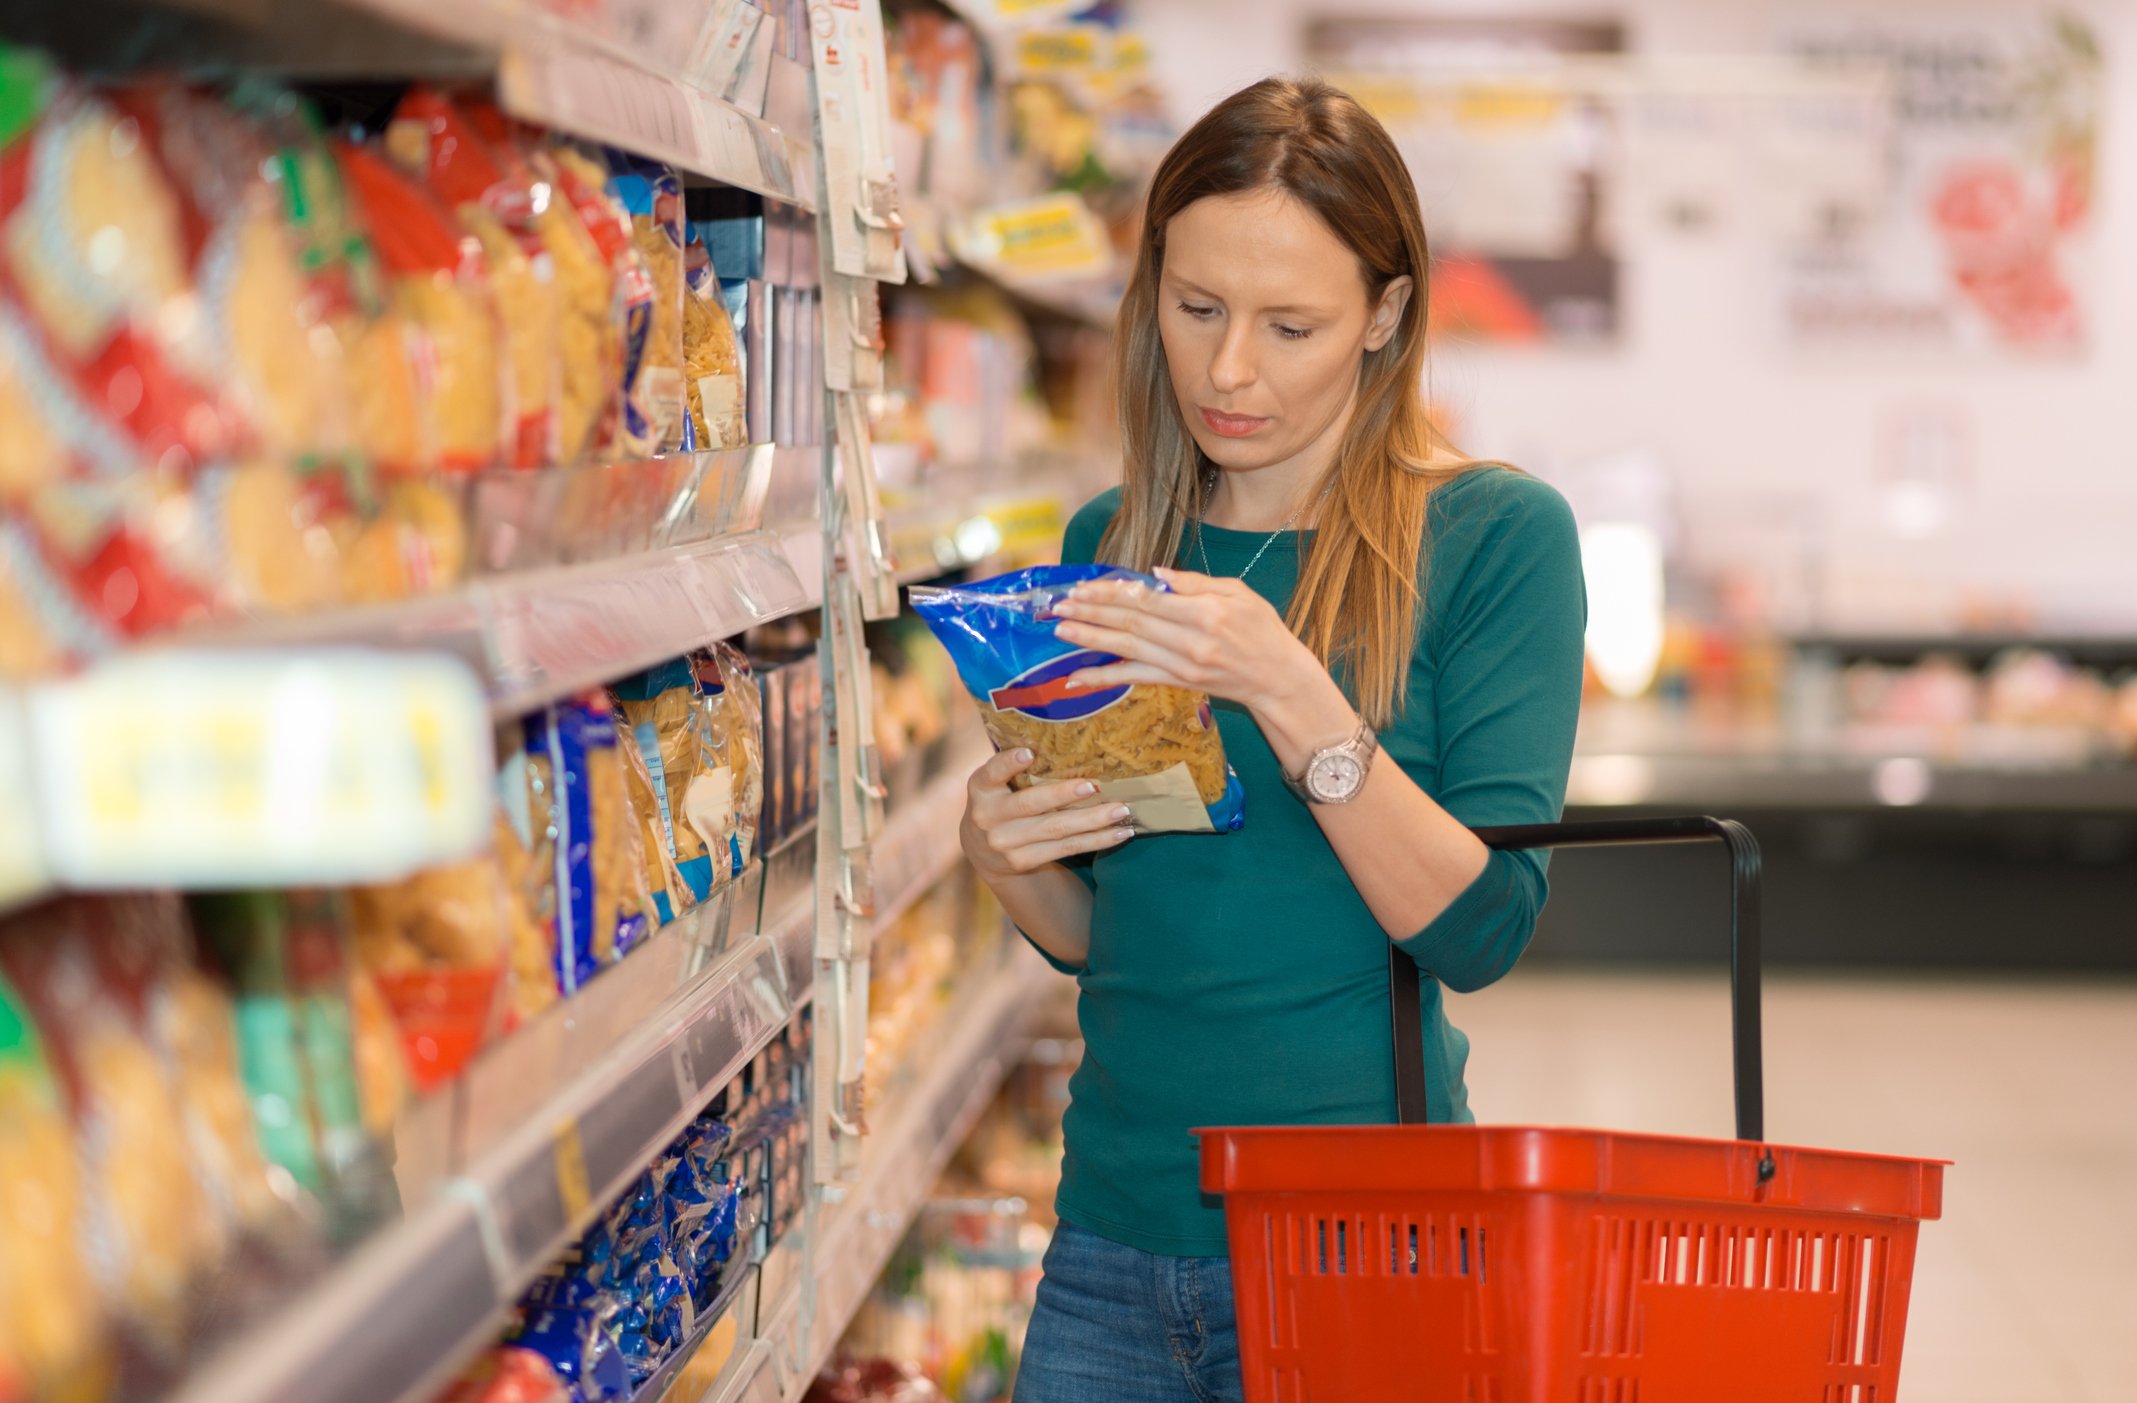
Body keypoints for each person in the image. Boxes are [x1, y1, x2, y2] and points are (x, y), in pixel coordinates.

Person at [960, 77, 1586, 1401]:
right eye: (1194, 311)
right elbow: (1116, 934)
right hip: (1114, 1240)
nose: (1228, 369)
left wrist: (1291, 692)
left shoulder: (1492, 539)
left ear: (1385, 315)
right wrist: (1011, 857)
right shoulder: (1107, 546)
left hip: (1367, 1249)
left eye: (1288, 324)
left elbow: (1480, 932)